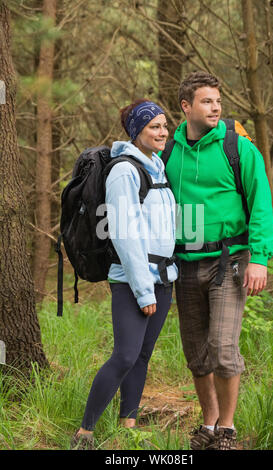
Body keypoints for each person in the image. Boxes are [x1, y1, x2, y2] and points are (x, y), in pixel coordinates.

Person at [163, 71, 273, 450]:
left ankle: (227, 429)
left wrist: (258, 258)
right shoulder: (170, 150)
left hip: (230, 261)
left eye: (217, 101)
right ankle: (208, 425)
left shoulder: (237, 147)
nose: (215, 108)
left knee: (223, 349)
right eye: (206, 101)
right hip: (184, 263)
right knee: (196, 354)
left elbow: (261, 203)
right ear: (186, 106)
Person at [71, 99, 178, 450]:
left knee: (143, 354)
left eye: (164, 125)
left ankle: (127, 426)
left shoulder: (157, 165)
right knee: (126, 355)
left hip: (163, 277)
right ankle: (84, 432)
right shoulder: (124, 171)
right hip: (134, 280)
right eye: (154, 127)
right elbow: (125, 232)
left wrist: (165, 277)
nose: (162, 132)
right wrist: (144, 290)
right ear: (136, 132)